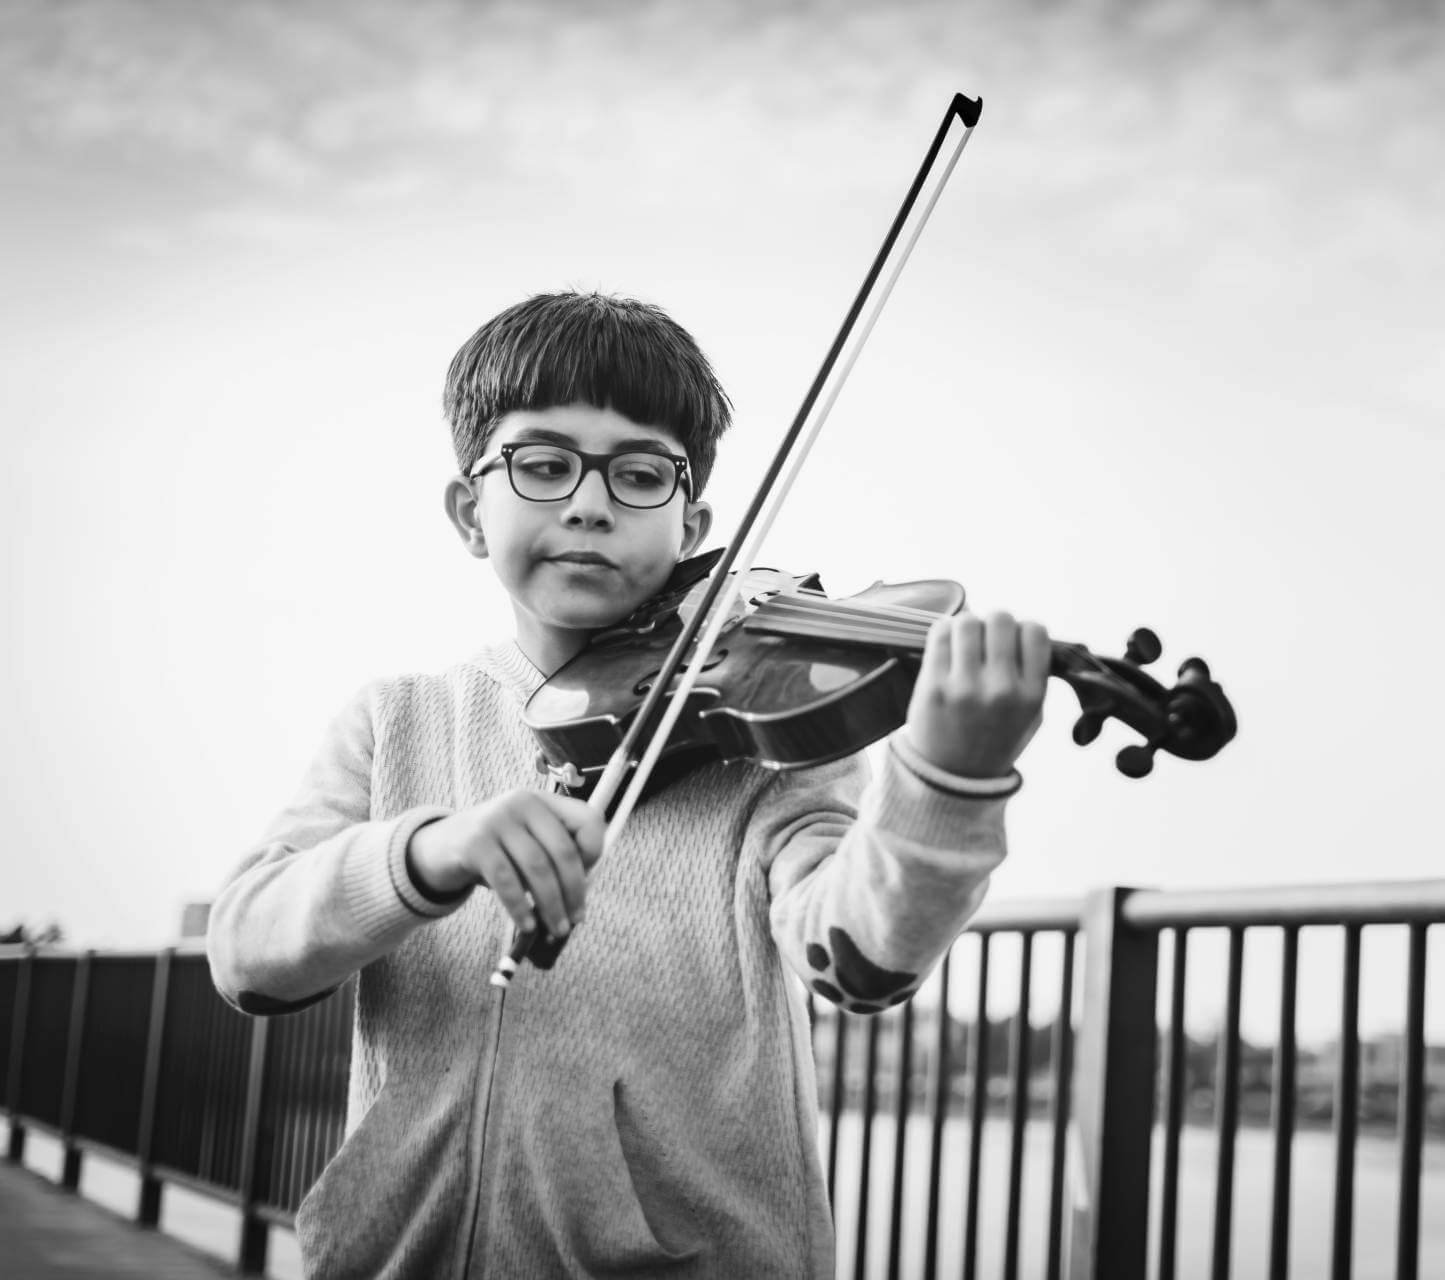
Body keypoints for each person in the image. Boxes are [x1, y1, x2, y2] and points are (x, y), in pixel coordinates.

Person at [206, 291, 1049, 1279]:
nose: (590, 501)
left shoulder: (763, 736)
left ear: (691, 521)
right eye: (543, 462)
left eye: (640, 474)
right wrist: (431, 847)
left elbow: (859, 956)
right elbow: (247, 954)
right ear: (470, 510)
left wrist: (947, 775)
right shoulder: (398, 720)